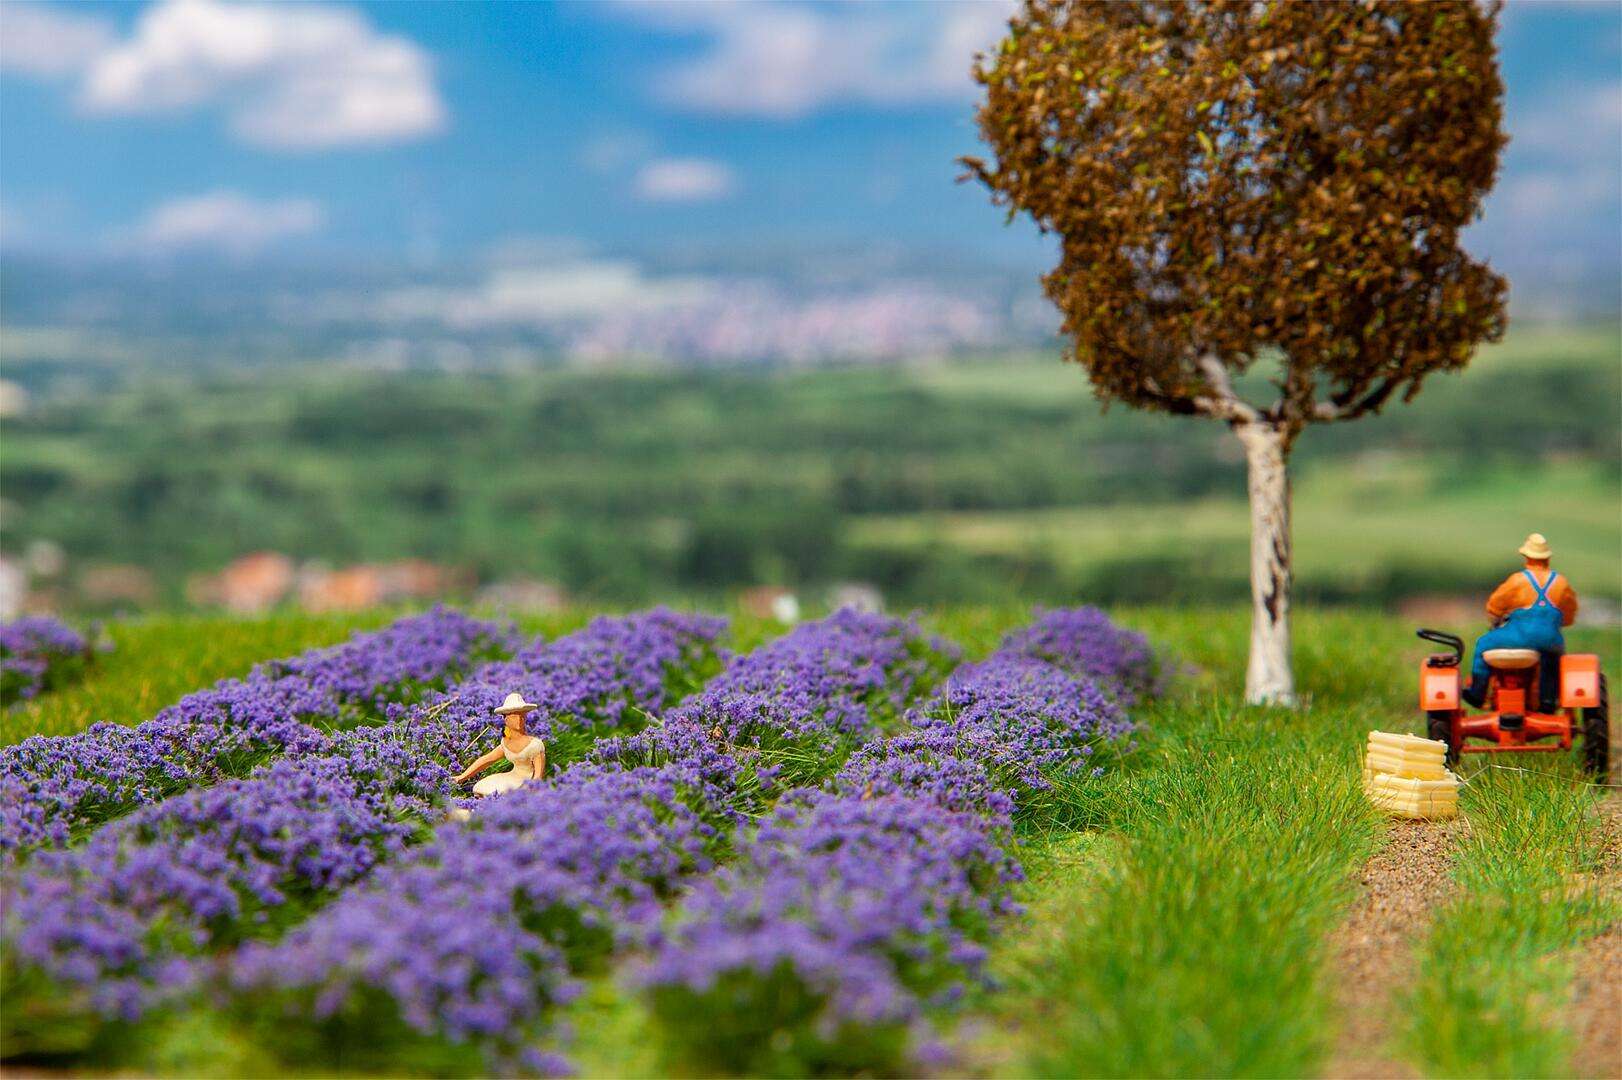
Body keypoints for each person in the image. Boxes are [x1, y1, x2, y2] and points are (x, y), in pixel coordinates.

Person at [1464, 533, 1578, 710]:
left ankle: (1477, 693)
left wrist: (1497, 617)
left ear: (1526, 557)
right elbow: (1569, 615)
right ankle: (1548, 700)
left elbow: (1494, 606)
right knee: (1552, 658)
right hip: (1551, 638)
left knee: (1483, 643)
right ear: (1547, 558)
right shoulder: (1561, 583)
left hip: (1519, 636)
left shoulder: (1518, 580)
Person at [451, 692, 546, 796]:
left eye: (522, 715)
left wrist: (530, 793)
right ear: (505, 719)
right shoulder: (505, 742)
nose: (519, 719)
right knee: (481, 787)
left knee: (499, 793)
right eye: (514, 715)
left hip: (525, 783)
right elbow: (487, 759)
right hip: (512, 776)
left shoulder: (535, 745)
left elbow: (538, 777)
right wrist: (462, 777)